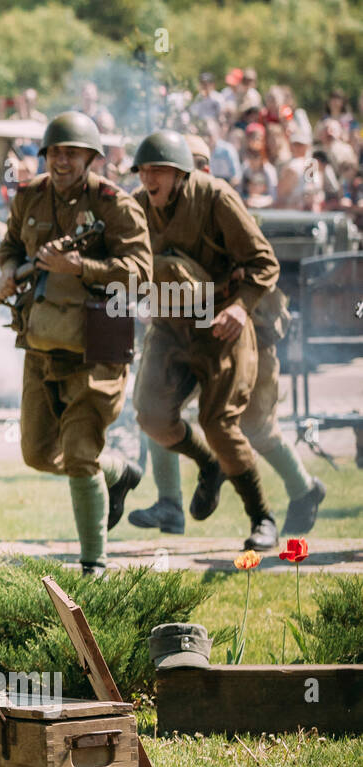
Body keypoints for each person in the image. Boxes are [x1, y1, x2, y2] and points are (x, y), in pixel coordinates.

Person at [129, 130, 325, 541]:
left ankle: (265, 516)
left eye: (159, 170)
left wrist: (240, 306)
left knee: (235, 426)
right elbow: (126, 259)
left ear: (185, 172)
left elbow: (262, 262)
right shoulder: (137, 206)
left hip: (226, 325)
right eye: (144, 170)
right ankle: (193, 480)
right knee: (151, 414)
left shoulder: (217, 200)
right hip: (172, 324)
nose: (149, 179)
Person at [0, 112, 152, 576]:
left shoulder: (114, 204)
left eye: (72, 152)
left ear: (90, 158)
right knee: (38, 453)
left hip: (97, 346)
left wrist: (80, 267)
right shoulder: (28, 197)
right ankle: (118, 472)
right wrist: (6, 270)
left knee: (80, 453)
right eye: (55, 152)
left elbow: (140, 272)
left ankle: (93, 565)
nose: (62, 160)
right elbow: (10, 247)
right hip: (41, 342)